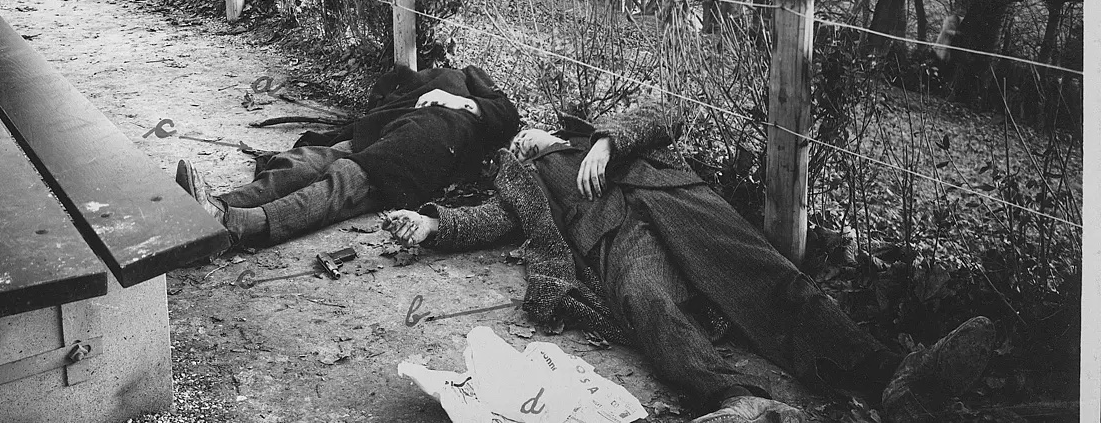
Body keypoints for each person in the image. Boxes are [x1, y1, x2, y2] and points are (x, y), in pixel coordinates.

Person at [384, 103, 994, 423]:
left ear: (538, 125)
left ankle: (895, 377)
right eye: (511, 145)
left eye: (524, 135)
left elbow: (664, 111)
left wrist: (603, 139)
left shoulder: (591, 129)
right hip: (616, 238)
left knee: (770, 275)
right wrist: (435, 225)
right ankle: (736, 401)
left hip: (677, 201)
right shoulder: (523, 177)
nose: (521, 144)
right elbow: (500, 221)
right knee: (648, 304)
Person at [176, 64, 519, 248]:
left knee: (345, 179)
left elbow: (507, 114)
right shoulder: (414, 78)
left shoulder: (469, 79)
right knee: (304, 162)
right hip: (385, 131)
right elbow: (380, 102)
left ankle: (233, 226)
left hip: (436, 139)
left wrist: (458, 101)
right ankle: (208, 208)